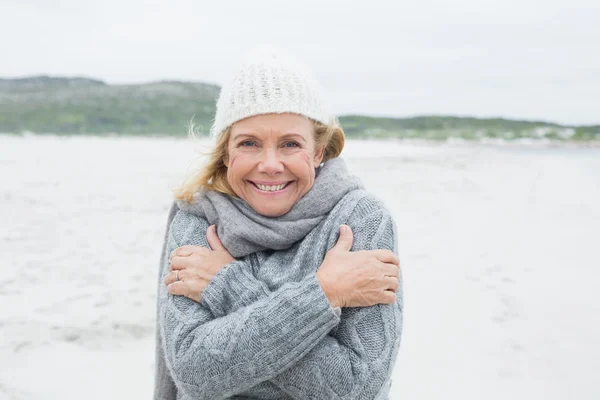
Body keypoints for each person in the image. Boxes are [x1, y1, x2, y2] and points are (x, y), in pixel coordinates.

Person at [154, 46, 403, 400]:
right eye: (249, 143)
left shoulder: (361, 220)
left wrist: (227, 285)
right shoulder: (197, 216)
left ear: (318, 151)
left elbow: (356, 387)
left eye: (289, 144)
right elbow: (195, 373)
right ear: (227, 152)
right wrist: (326, 292)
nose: (270, 164)